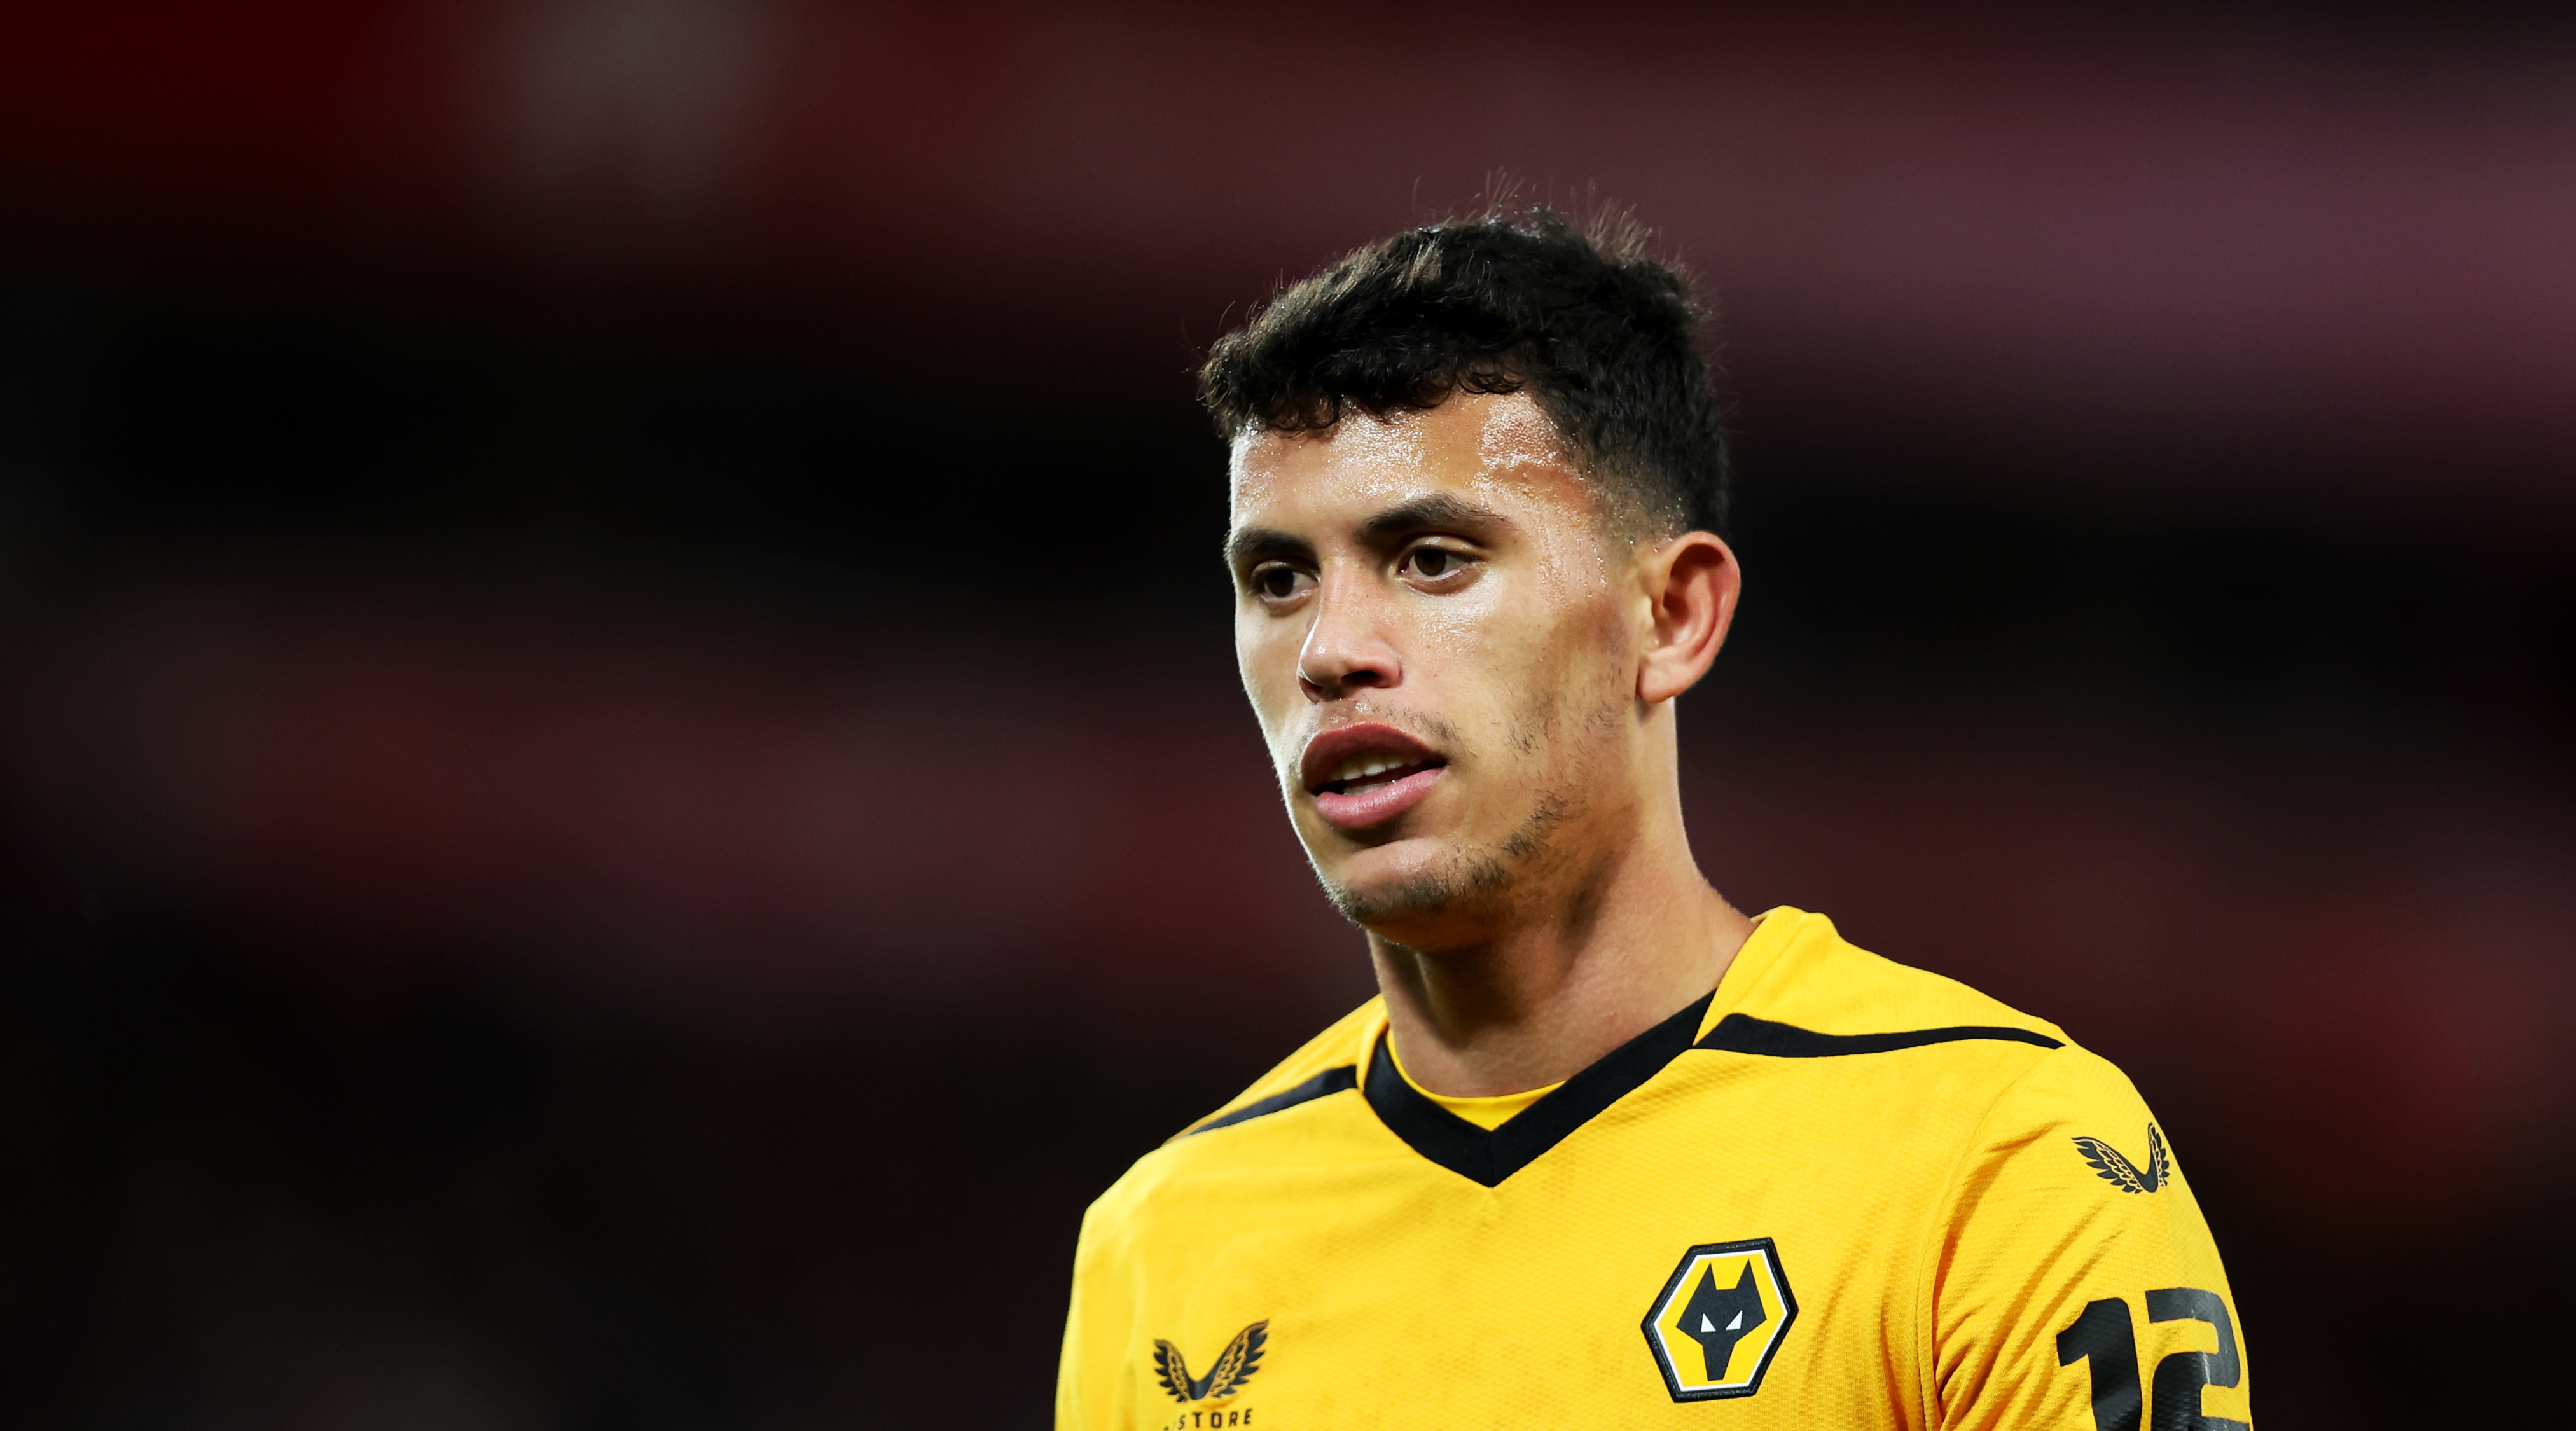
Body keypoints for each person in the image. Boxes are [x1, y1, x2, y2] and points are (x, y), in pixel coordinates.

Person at [1053, 206, 2248, 1430]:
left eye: (1432, 558)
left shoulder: (2002, 1163)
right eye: (1278, 579)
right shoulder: (1162, 1248)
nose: (1329, 651)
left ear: (1671, 616)